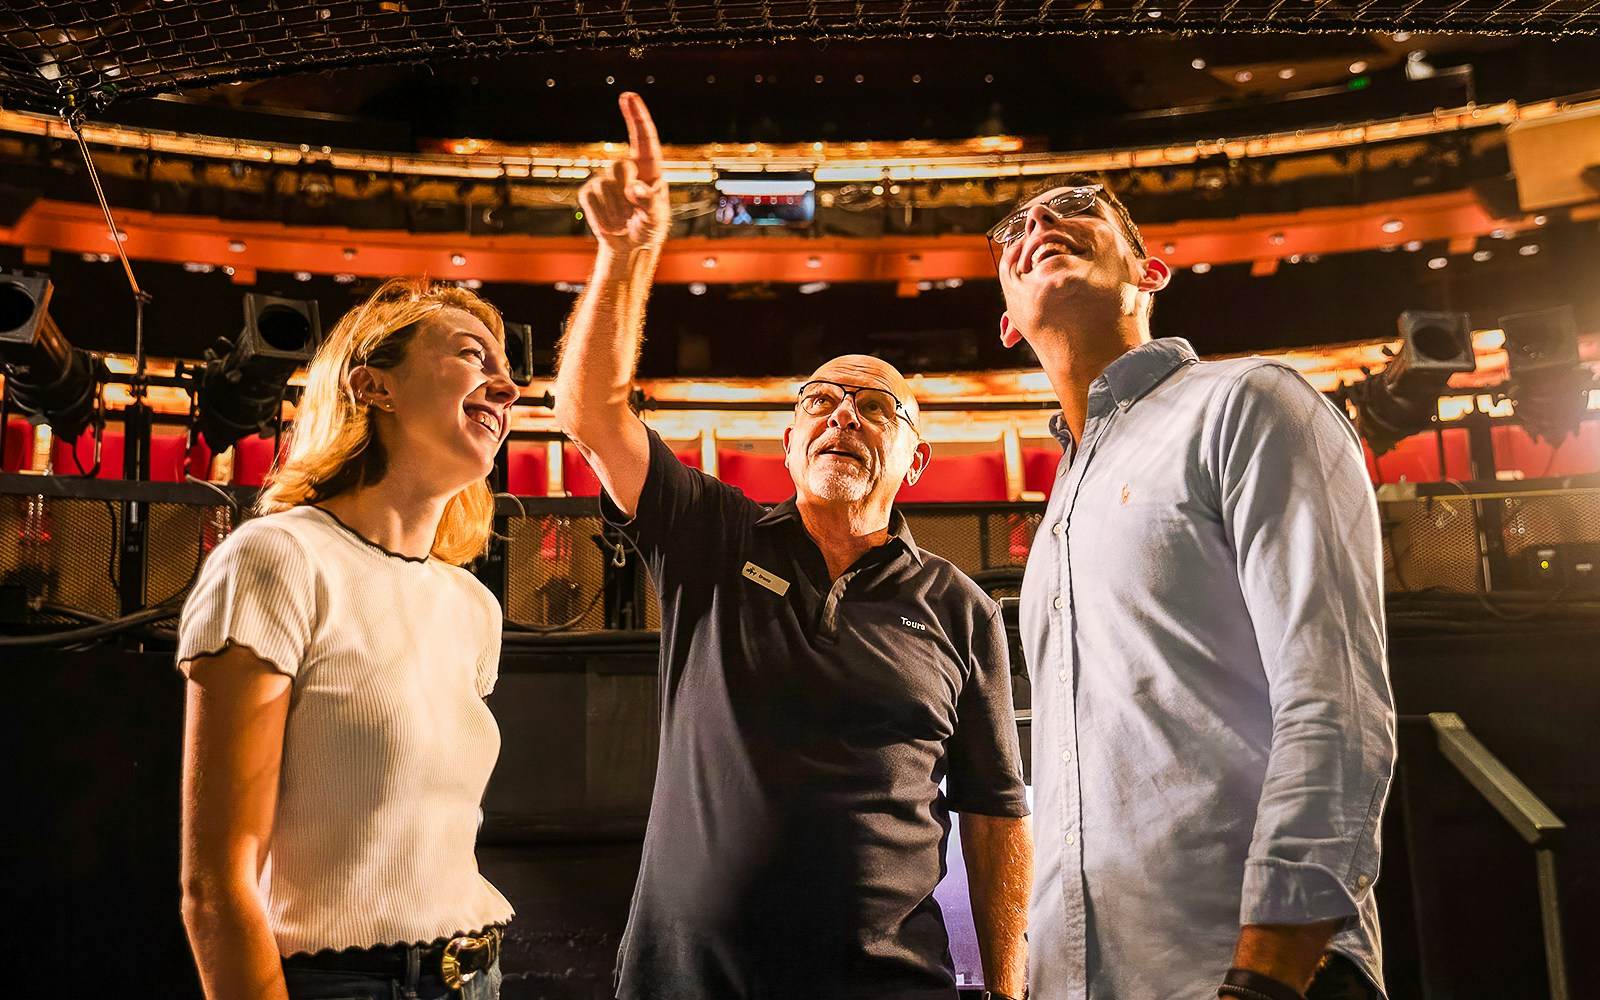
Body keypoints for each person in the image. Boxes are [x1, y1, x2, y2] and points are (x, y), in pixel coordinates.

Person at [555, 92, 1033, 1000]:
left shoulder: (961, 609)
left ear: (917, 459)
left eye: (873, 405)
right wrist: (626, 255)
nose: (842, 412)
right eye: (819, 399)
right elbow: (588, 415)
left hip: (891, 985)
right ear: (788, 445)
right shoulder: (710, 533)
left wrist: (1008, 990)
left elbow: (996, 813)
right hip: (688, 982)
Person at [992, 177, 1396, 1000]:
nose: (1037, 221)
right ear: (1007, 323)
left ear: (1153, 273)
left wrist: (1269, 972)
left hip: (1244, 973)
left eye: (1073, 204)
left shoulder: (1250, 402)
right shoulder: (1058, 515)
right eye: (1013, 228)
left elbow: (1337, 702)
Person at [177, 278, 520, 1000]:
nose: (508, 387)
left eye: (507, 368)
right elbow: (214, 887)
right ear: (374, 387)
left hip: (475, 977)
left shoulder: (471, 606)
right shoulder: (277, 558)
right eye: (472, 356)